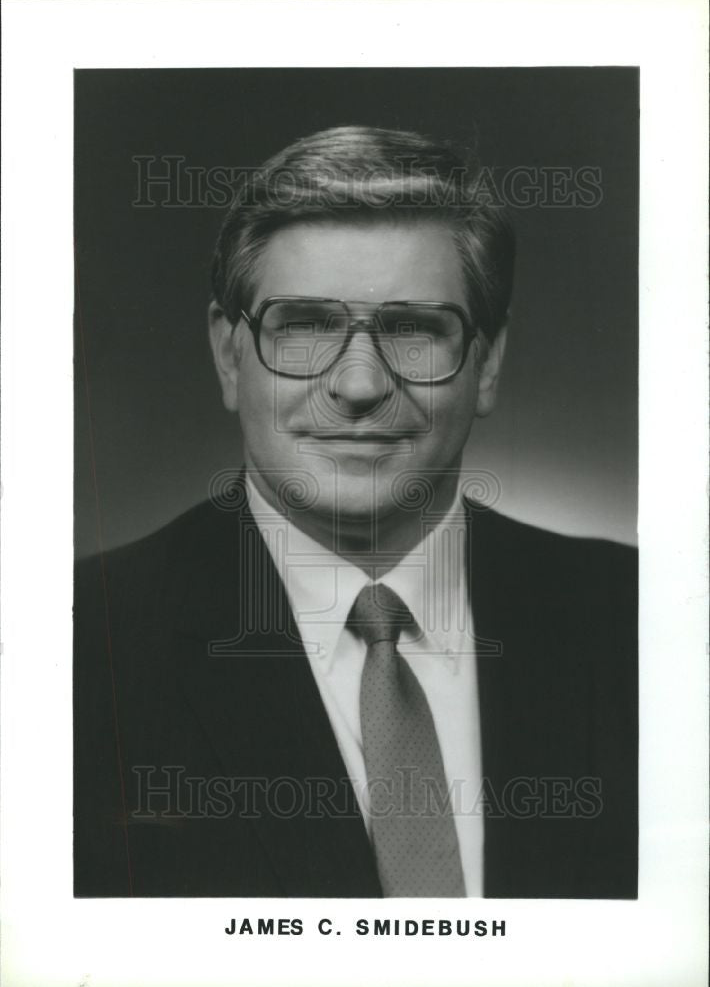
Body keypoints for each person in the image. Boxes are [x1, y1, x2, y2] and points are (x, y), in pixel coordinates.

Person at [74, 126, 637, 899]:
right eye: (304, 326)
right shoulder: (72, 644)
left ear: (490, 363)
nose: (360, 385)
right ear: (229, 356)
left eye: (414, 329)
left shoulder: (646, 620)